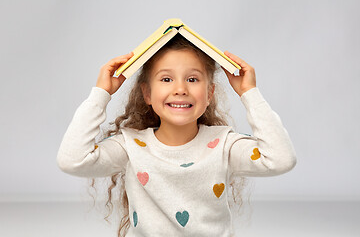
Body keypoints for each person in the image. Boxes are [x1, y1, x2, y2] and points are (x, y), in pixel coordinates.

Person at [57, 34, 297, 237]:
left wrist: (250, 93)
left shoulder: (225, 144)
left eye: (192, 79)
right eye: (166, 79)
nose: (180, 89)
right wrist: (101, 93)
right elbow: (72, 160)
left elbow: (280, 159)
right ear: (147, 93)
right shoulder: (130, 146)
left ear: (210, 93)